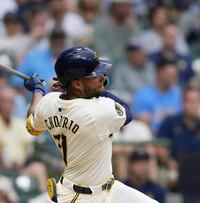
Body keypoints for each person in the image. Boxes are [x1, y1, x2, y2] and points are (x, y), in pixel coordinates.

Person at [24, 47, 157, 202]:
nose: (102, 77)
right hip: (80, 197)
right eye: (95, 75)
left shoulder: (49, 102)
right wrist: (101, 89)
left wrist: (38, 91)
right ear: (78, 84)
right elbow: (128, 112)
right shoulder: (97, 110)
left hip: (109, 188)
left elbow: (32, 125)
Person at [157, 86, 200, 202]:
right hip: (176, 170)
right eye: (189, 101)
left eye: (196, 101)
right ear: (182, 103)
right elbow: (159, 145)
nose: (193, 105)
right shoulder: (171, 121)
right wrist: (168, 161)